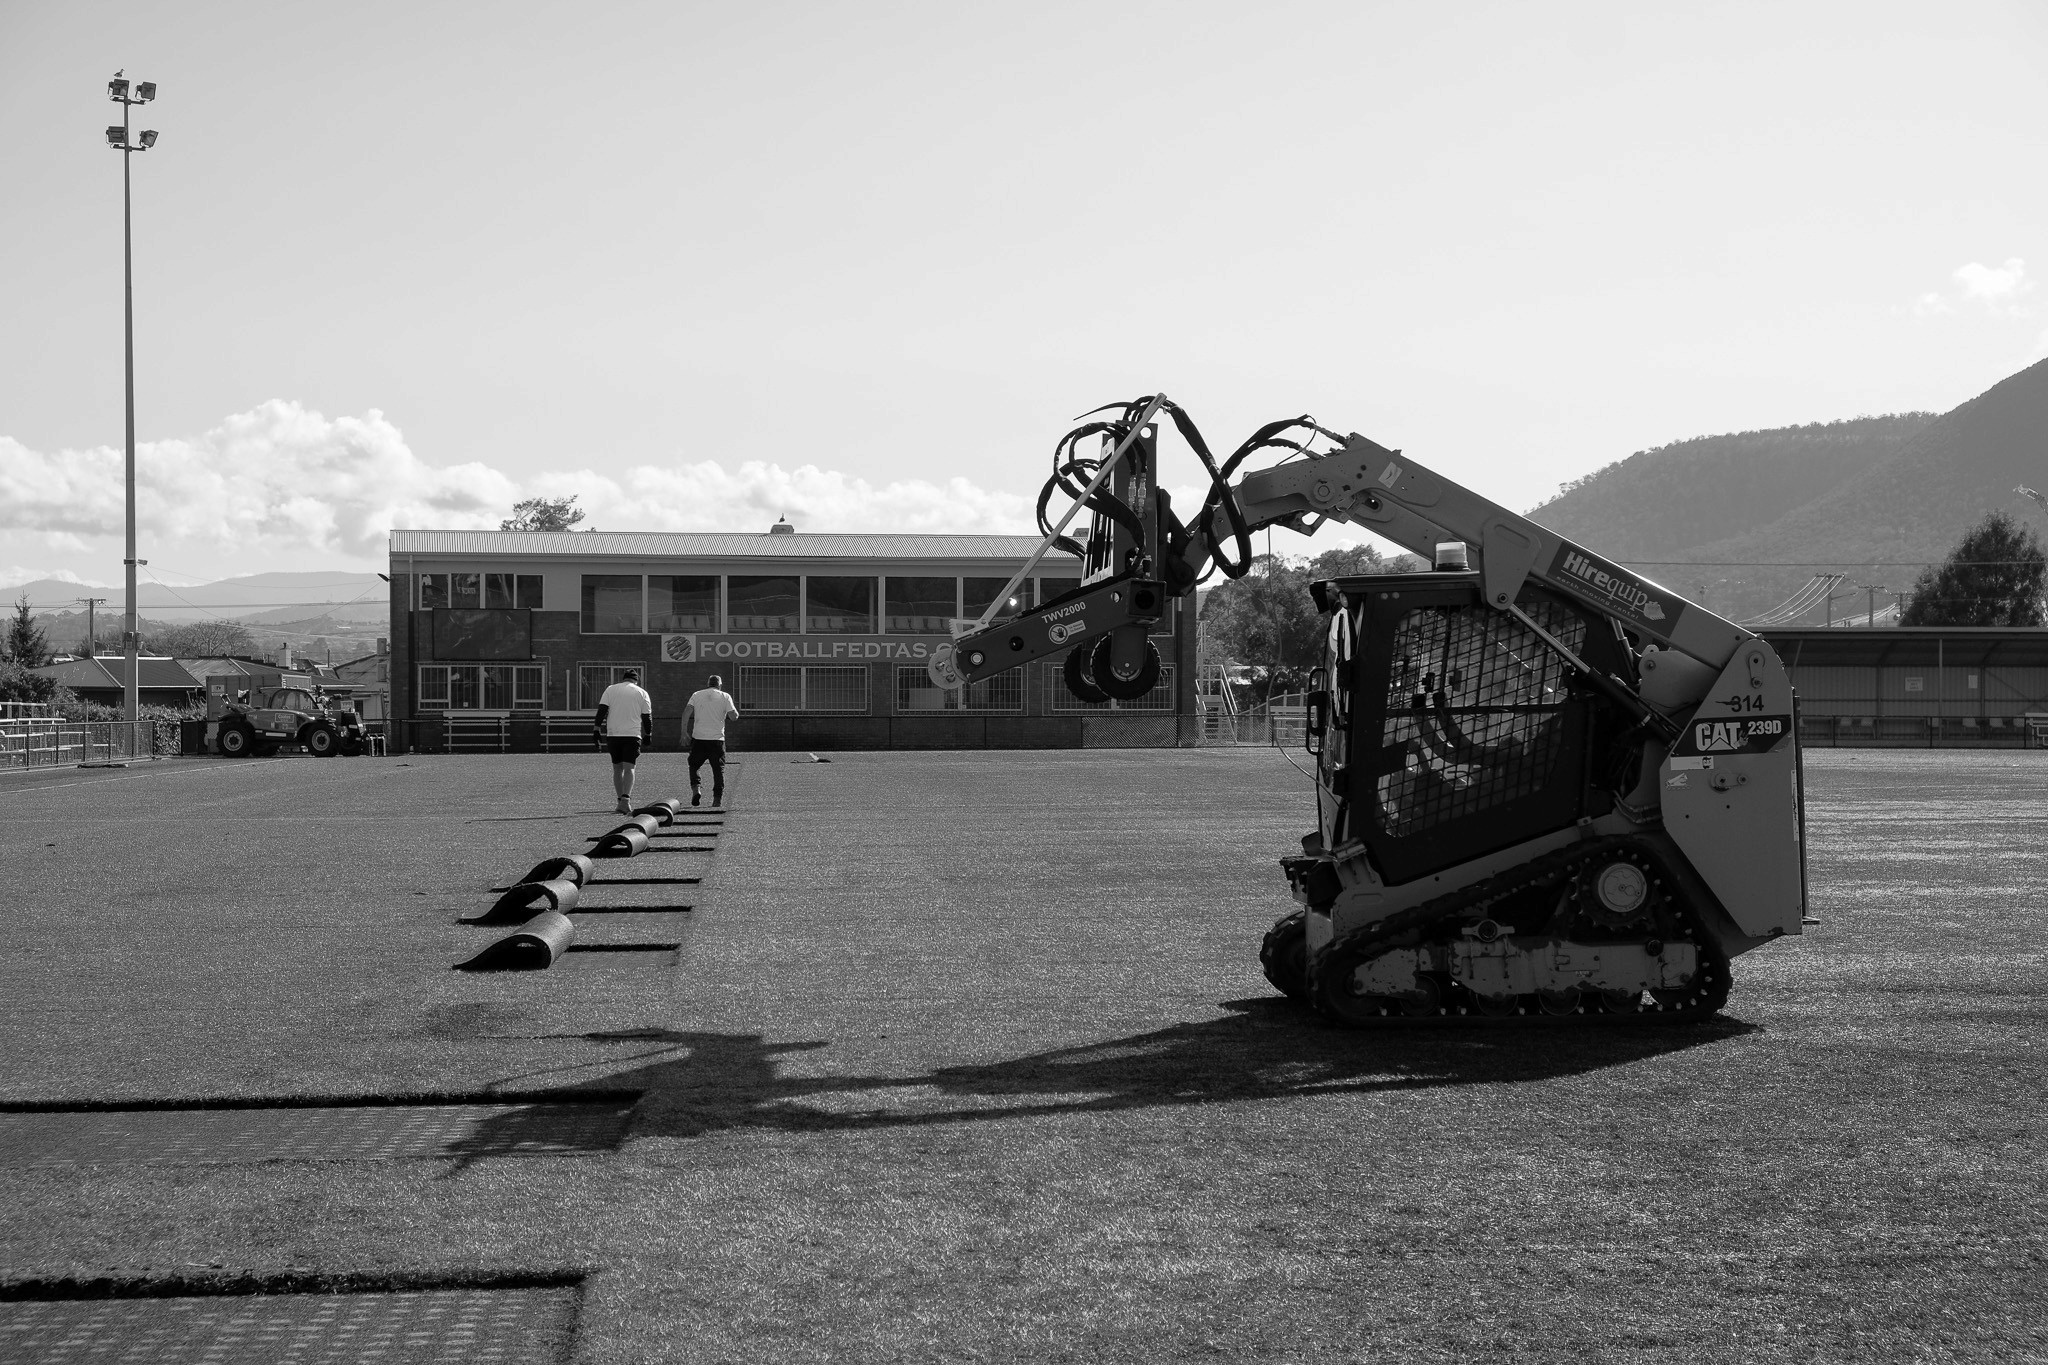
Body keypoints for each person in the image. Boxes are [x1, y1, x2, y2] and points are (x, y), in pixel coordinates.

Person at [593, 668, 654, 815]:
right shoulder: (641, 692)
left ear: (623, 679)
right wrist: (648, 734)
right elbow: (647, 716)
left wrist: (596, 729)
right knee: (629, 768)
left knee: (617, 768)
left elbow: (602, 710)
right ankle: (626, 800)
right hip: (632, 735)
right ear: (636, 680)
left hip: (613, 734)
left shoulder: (611, 689)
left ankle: (620, 801)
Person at [681, 673, 739, 807]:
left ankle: (696, 789)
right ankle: (717, 799)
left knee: (694, 765)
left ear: (708, 684)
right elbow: (733, 717)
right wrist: (735, 713)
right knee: (718, 770)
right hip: (717, 739)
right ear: (720, 685)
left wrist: (684, 732)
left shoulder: (696, 695)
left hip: (699, 738)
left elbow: (686, 712)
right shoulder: (725, 696)